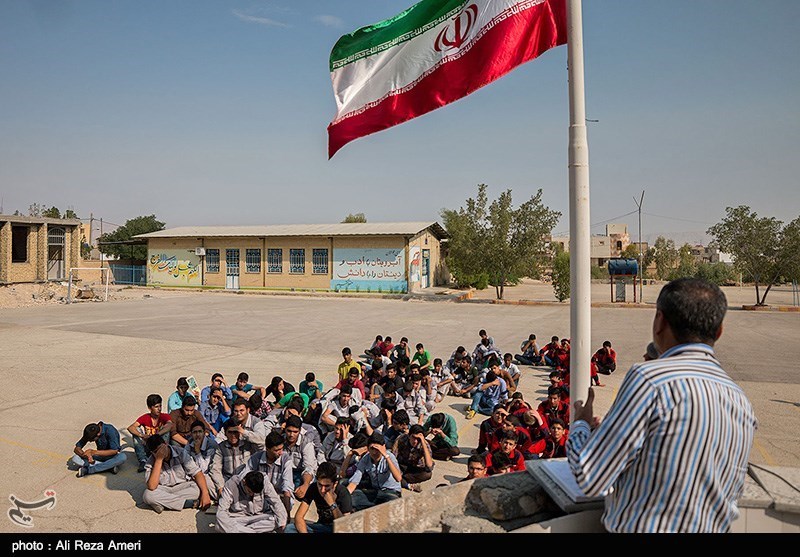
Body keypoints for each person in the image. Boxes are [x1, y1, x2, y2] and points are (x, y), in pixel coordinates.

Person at [567, 277, 757, 533]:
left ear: (659, 322)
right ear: (719, 331)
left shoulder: (649, 380)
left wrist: (581, 425)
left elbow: (590, 477)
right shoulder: (740, 400)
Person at [142, 434, 212, 513]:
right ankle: (188, 503)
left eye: (161, 449)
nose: (160, 452)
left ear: (166, 444)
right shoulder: (151, 461)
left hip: (182, 486)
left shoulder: (180, 452)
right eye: (156, 452)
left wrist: (205, 493)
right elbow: (152, 486)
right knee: (148, 495)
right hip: (164, 489)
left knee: (198, 489)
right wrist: (159, 460)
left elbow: (197, 473)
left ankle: (163, 504)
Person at [286, 461, 353, 533]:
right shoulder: (313, 488)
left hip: (336, 529)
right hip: (321, 526)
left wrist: (332, 503)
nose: (322, 490)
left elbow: (345, 526)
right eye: (320, 485)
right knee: (290, 528)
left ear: (335, 484)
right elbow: (299, 517)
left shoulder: (343, 492)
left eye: (327, 486)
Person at [215, 470, 288, 533]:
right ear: (244, 482)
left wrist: (282, 522)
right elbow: (221, 511)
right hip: (238, 518)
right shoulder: (231, 484)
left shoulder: (264, 481)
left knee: (277, 519)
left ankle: (245, 531)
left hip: (259, 517)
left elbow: (276, 502)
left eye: (255, 493)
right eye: (250, 491)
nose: (252, 495)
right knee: (220, 524)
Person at [241, 431, 295, 516]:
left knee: (289, 501)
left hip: (278, 495)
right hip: (259, 495)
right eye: (276, 450)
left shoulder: (286, 459)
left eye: (281, 449)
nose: (280, 452)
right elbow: (244, 476)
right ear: (267, 449)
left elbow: (287, 486)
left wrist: (287, 513)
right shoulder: (255, 458)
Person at [346, 431, 404, 511]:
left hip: (391, 492)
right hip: (376, 492)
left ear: (383, 447)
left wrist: (386, 457)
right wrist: (345, 496)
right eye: (372, 449)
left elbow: (398, 478)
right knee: (353, 498)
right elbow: (355, 480)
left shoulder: (390, 457)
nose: (374, 452)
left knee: (392, 503)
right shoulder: (366, 458)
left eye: (377, 449)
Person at [209, 419, 259, 499]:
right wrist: (220, 487)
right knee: (206, 479)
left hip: (245, 482)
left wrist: (244, 433)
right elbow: (215, 468)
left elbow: (262, 442)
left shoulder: (248, 445)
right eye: (230, 432)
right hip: (227, 482)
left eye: (235, 432)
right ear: (225, 433)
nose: (233, 435)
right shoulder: (221, 447)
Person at [127, 394, 173, 473]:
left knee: (166, 431)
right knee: (136, 431)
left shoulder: (164, 416)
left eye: (160, 406)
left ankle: (162, 459)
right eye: (156, 407)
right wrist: (142, 435)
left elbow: (170, 425)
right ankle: (143, 460)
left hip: (160, 446)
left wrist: (157, 435)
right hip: (148, 446)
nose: (159, 409)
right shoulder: (145, 417)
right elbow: (130, 427)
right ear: (149, 408)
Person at [282, 415, 319, 500]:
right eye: (289, 431)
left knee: (298, 491)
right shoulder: (280, 440)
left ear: (300, 431)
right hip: (283, 472)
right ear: (285, 429)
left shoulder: (306, 443)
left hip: (300, 473)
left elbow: (309, 467)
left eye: (295, 432)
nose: (291, 435)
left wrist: (305, 485)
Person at [392, 424, 434, 492]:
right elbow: (393, 456)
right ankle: (406, 483)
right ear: (409, 436)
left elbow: (429, 466)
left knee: (427, 474)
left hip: (415, 468)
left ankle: (402, 480)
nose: (415, 441)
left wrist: (423, 442)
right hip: (402, 465)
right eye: (413, 437)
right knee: (391, 471)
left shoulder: (424, 444)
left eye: (418, 439)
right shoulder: (401, 439)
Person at [182, 419, 218, 485]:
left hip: (208, 476)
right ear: (191, 434)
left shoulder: (211, 445)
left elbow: (204, 469)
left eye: (200, 431)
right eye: (195, 432)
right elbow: (184, 460)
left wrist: (198, 452)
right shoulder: (190, 442)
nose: (197, 434)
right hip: (193, 474)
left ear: (204, 433)